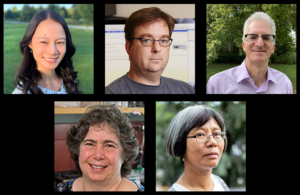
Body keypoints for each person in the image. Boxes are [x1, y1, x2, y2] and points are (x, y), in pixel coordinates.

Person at [105, 7, 195, 94]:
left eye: (163, 40)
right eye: (147, 40)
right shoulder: (110, 92)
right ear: (129, 48)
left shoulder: (186, 89)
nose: (157, 48)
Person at [55, 106, 144, 191]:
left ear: (125, 154)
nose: (98, 155)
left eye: (109, 145)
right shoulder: (61, 189)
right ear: (77, 150)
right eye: (90, 144)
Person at [206, 12, 293, 94]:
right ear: (244, 45)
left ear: (273, 47)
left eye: (266, 38)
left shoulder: (284, 83)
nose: (259, 44)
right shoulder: (216, 85)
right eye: (252, 37)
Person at [12, 10, 81, 94]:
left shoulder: (68, 79)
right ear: (30, 43)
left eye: (60, 42)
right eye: (43, 42)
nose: (52, 51)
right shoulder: (23, 92)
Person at [165, 105, 229, 191]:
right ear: (180, 143)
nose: (213, 142)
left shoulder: (219, 183)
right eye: (200, 134)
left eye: (216, 134)